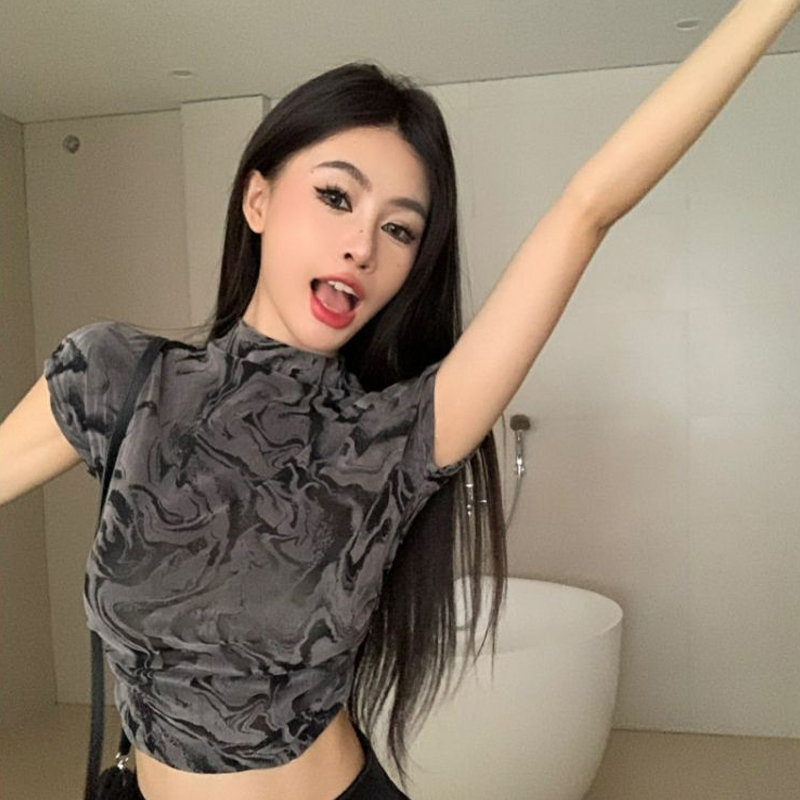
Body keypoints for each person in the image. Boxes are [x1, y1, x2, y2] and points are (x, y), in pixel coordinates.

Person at [1, 2, 797, 798]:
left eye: (401, 230)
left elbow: (588, 209)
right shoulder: (119, 376)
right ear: (258, 200)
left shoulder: (393, 434)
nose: (362, 246)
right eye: (337, 197)